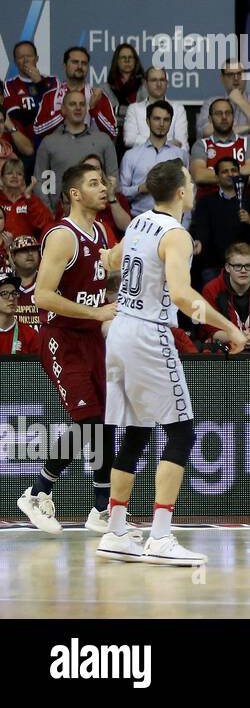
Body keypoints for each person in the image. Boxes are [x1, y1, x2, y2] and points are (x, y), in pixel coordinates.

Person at [96, 160, 247, 566]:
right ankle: (160, 536)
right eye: (191, 183)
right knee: (181, 432)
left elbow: (111, 260)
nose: (195, 188)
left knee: (137, 432)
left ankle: (116, 529)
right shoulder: (175, 233)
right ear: (181, 192)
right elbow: (182, 296)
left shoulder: (139, 222)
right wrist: (229, 327)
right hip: (147, 333)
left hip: (120, 330)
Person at [16, 163, 118, 538]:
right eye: (94, 183)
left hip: (93, 338)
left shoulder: (102, 230)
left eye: (104, 182)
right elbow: (43, 296)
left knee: (105, 423)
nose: (103, 188)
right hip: (63, 338)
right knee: (88, 422)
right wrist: (97, 311)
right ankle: (37, 492)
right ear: (75, 194)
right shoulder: (62, 235)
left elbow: (96, 282)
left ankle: (101, 510)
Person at [33, 90, 118, 212]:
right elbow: (40, 182)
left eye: (82, 104)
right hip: (60, 215)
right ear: (63, 109)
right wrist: (49, 214)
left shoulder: (103, 140)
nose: (78, 108)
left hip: (97, 214)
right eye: (72, 104)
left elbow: (113, 178)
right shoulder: (49, 142)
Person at [191, 156, 250, 282]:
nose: (230, 174)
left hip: (244, 266)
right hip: (214, 266)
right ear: (217, 177)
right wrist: (199, 241)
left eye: (233, 170)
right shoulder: (206, 202)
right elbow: (200, 229)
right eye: (225, 171)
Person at [199, 241, 250, 348]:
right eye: (237, 266)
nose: (243, 270)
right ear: (227, 267)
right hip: (223, 351)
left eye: (248, 266)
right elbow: (212, 330)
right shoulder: (211, 290)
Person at [119, 101, 191, 216]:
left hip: (172, 222)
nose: (161, 124)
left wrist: (185, 225)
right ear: (148, 121)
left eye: (166, 120)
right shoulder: (131, 155)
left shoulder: (181, 155)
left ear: (170, 122)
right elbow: (120, 192)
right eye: (157, 119)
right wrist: (140, 188)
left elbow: (188, 193)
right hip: (140, 220)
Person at [33, 46, 118, 141]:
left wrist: (95, 110)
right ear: (64, 66)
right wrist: (61, 114)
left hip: (90, 152)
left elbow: (113, 133)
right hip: (59, 153)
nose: (80, 66)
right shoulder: (51, 96)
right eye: (75, 62)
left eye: (84, 63)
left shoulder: (97, 96)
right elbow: (38, 131)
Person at [190, 97, 250, 197]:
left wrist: (213, 176)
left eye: (228, 113)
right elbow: (199, 176)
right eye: (219, 113)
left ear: (234, 117)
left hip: (242, 205)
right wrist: (240, 172)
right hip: (209, 206)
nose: (224, 117)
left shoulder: (247, 143)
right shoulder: (201, 145)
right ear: (210, 119)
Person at [123, 66, 188, 150]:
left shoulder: (178, 109)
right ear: (146, 84)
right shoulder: (134, 109)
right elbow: (129, 140)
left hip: (170, 160)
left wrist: (144, 141)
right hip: (142, 159)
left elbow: (182, 145)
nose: (158, 84)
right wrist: (166, 144)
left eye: (162, 80)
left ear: (167, 83)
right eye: (154, 80)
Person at [0, 158, 53, 240]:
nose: (14, 176)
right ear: (2, 178)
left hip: (26, 251)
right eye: (9, 173)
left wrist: (28, 197)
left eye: (19, 174)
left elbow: (46, 224)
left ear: (23, 179)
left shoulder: (31, 200)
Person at [0, 271, 39, 354]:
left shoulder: (30, 335)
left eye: (14, 293)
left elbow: (36, 367)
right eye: (4, 293)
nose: (11, 298)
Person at [9, 235, 42, 330]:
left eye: (34, 249)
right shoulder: (3, 284)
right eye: (24, 250)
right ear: (13, 256)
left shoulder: (49, 282)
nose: (30, 253)